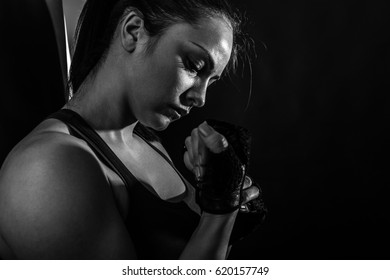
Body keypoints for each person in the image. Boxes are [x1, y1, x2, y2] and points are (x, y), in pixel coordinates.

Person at [0, 0, 264, 259]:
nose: (201, 98)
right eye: (194, 66)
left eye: (212, 81)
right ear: (133, 31)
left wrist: (223, 205)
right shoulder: (47, 166)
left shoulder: (146, 141)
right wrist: (220, 214)